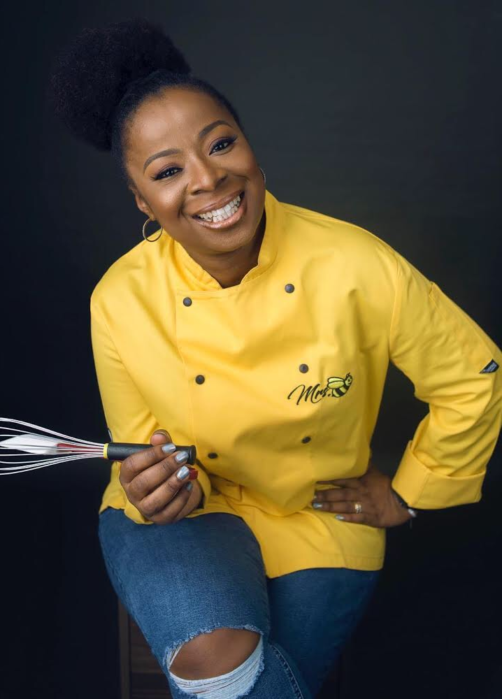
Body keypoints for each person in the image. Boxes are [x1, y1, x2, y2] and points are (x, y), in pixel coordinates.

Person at [48, 17, 502, 699]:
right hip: (190, 517)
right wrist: (157, 486)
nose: (208, 178)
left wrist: (411, 491)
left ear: (251, 147)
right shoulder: (119, 299)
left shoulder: (354, 263)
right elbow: (144, 448)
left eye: (221, 143)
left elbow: (473, 374)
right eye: (168, 171)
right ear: (143, 200)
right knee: (218, 667)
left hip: (320, 516)